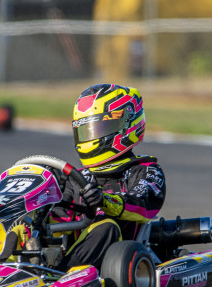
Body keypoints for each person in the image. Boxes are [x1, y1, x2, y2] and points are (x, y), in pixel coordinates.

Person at [50, 83, 166, 271]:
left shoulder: (145, 170)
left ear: (126, 126)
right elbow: (59, 221)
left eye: (99, 128)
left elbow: (142, 204)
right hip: (75, 250)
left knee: (106, 226)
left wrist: (104, 201)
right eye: (86, 130)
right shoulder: (77, 177)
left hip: (120, 261)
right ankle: (7, 269)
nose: (91, 136)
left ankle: (60, 275)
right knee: (24, 227)